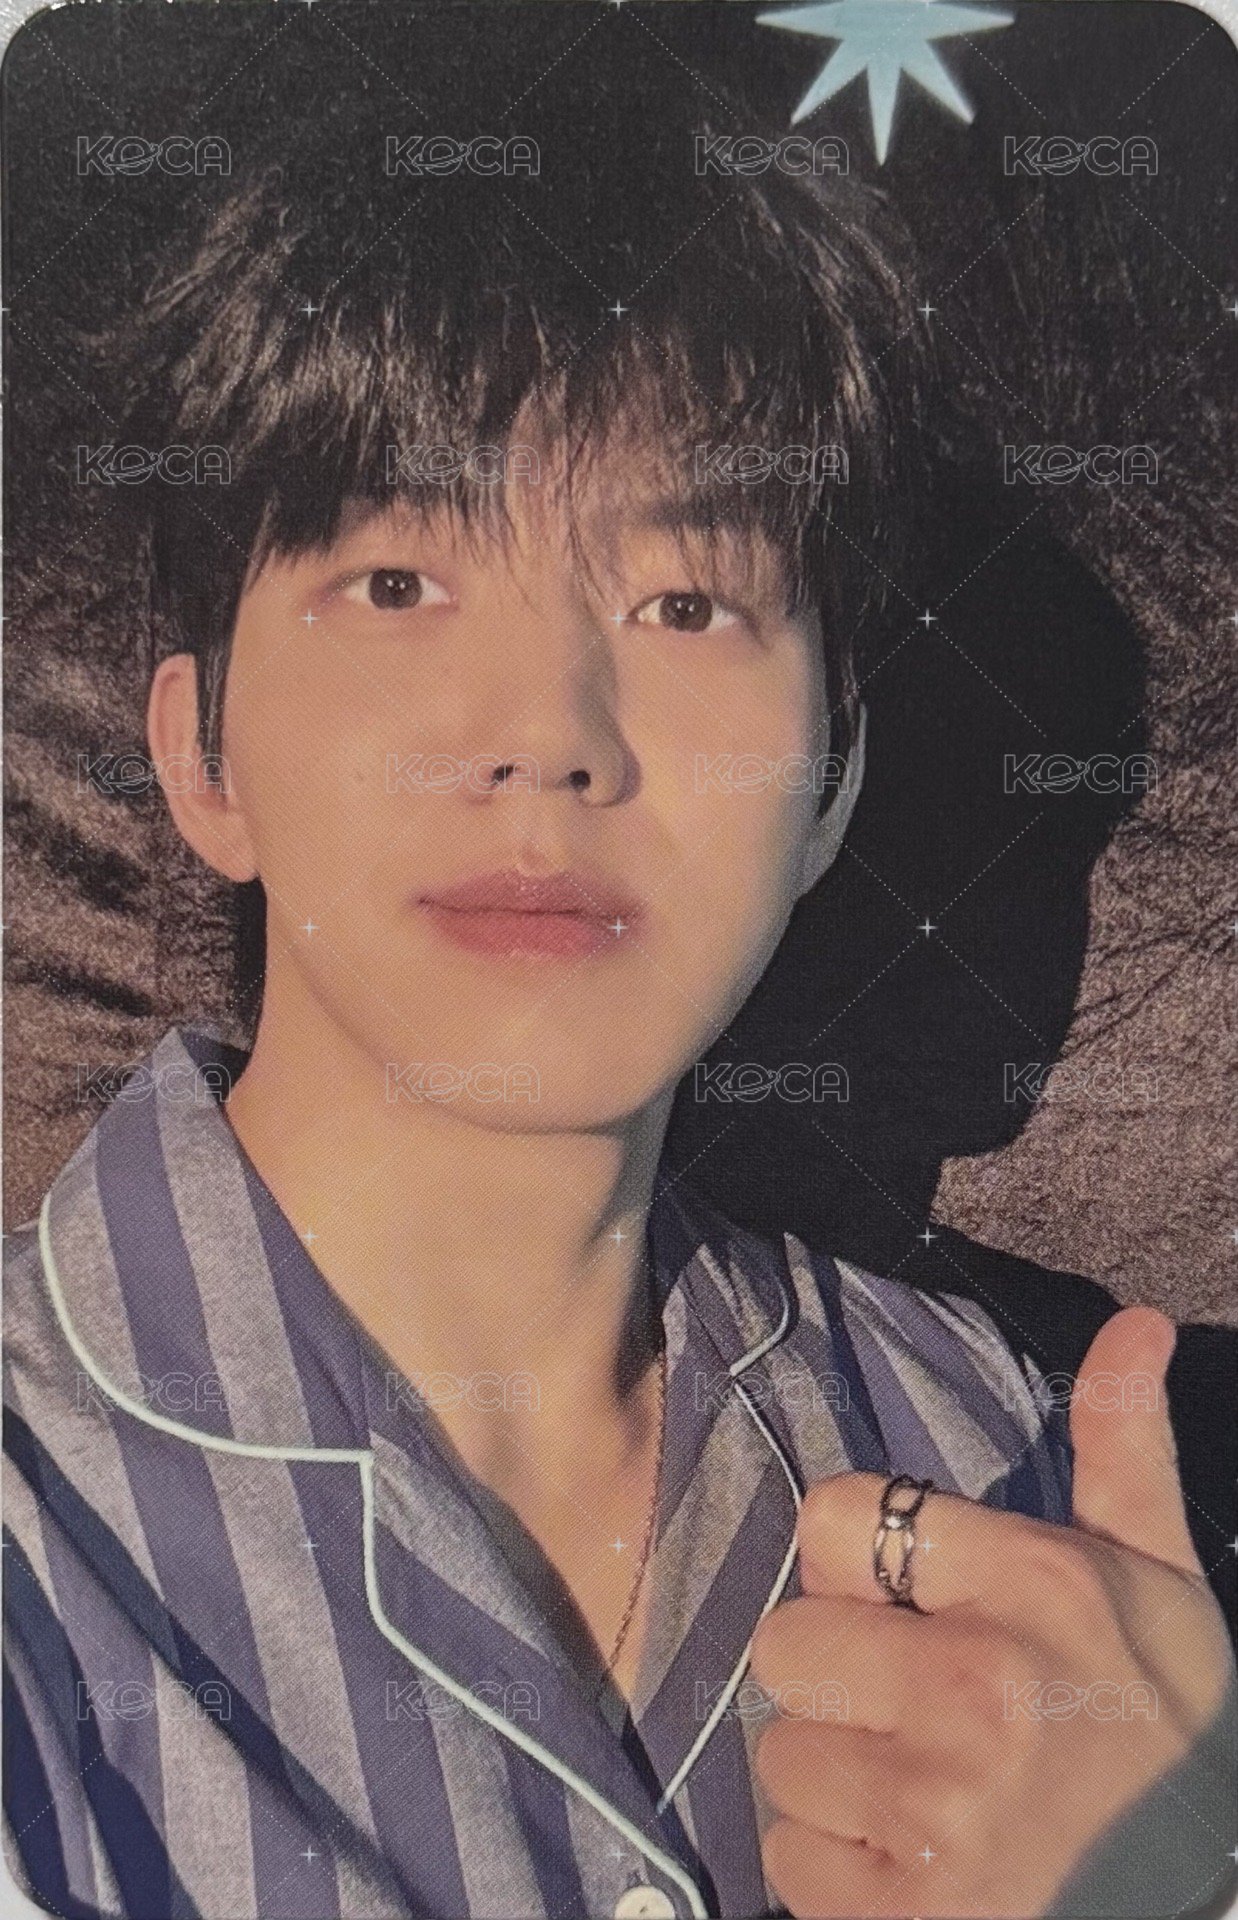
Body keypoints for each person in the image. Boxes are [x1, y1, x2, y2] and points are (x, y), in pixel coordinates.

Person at [4, 17, 1234, 1917]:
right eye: (398, 583)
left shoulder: (995, 1456)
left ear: (827, 788)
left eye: (683, 601)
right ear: (203, 756)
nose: (550, 736)